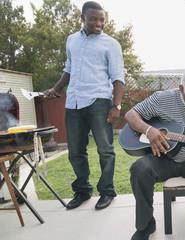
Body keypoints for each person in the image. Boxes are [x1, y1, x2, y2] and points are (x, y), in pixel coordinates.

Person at [125, 69, 185, 240]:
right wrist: (148, 130)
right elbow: (130, 114)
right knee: (139, 168)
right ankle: (145, 225)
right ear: (180, 89)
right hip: (163, 157)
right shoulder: (162, 98)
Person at [44, 1, 125, 210]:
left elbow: (118, 77)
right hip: (74, 102)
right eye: (93, 19)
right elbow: (68, 69)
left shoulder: (111, 44)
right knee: (75, 151)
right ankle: (82, 191)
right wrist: (56, 89)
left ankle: (107, 191)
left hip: (99, 100)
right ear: (82, 18)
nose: (99, 23)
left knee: (105, 150)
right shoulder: (72, 40)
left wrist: (116, 106)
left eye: (102, 19)